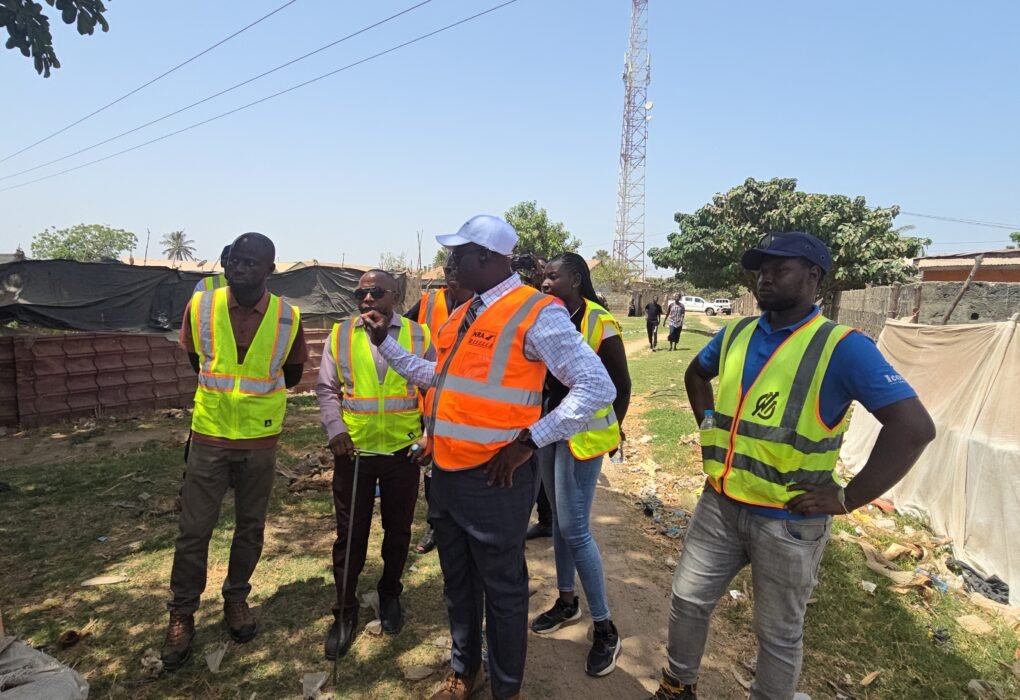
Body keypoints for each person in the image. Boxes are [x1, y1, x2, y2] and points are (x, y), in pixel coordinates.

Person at [651, 232, 936, 700]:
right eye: (761, 270)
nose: (764, 278)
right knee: (687, 598)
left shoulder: (841, 347)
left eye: (779, 269)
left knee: (778, 634)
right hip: (720, 504)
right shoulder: (737, 333)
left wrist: (848, 498)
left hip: (788, 522)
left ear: (813, 276)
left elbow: (914, 428)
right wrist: (709, 424)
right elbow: (696, 373)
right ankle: (678, 686)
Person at [362, 215, 615, 700]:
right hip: (447, 475)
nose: (450, 263)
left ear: (485, 257)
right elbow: (437, 378)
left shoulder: (535, 311)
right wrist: (384, 344)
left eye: (457, 254)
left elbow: (596, 386)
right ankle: (467, 672)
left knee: (502, 590)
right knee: (457, 583)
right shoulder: (464, 314)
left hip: (496, 482)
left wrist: (529, 442)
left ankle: (506, 688)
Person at [161, 232, 307, 671]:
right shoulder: (201, 306)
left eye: (250, 262)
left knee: (250, 527)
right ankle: (182, 613)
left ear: (270, 270)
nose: (238, 267)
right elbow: (196, 361)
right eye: (234, 260)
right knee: (193, 531)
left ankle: (236, 598)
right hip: (209, 435)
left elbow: (293, 374)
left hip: (260, 440)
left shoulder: (287, 317)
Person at [316, 270, 435, 659]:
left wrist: (429, 434)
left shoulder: (419, 335)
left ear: (395, 296)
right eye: (360, 293)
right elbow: (327, 389)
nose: (366, 298)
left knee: (398, 532)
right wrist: (335, 428)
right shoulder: (340, 335)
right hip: (355, 453)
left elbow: (435, 389)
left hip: (404, 452)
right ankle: (344, 611)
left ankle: (389, 592)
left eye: (376, 291)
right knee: (350, 535)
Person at [531, 252, 632, 677]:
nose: (545, 283)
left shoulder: (598, 321)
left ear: (575, 278)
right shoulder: (546, 316)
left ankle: (605, 628)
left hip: (584, 439)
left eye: (553, 276)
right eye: (543, 277)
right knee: (559, 525)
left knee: (575, 529)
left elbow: (621, 384)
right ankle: (567, 601)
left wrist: (614, 431)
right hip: (549, 430)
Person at [404, 263, 473, 554]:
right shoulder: (428, 303)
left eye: (461, 268)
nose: (455, 276)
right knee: (432, 463)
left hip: (470, 403)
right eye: (451, 270)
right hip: (431, 397)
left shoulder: (484, 303)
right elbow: (402, 330)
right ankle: (436, 524)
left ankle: (466, 522)